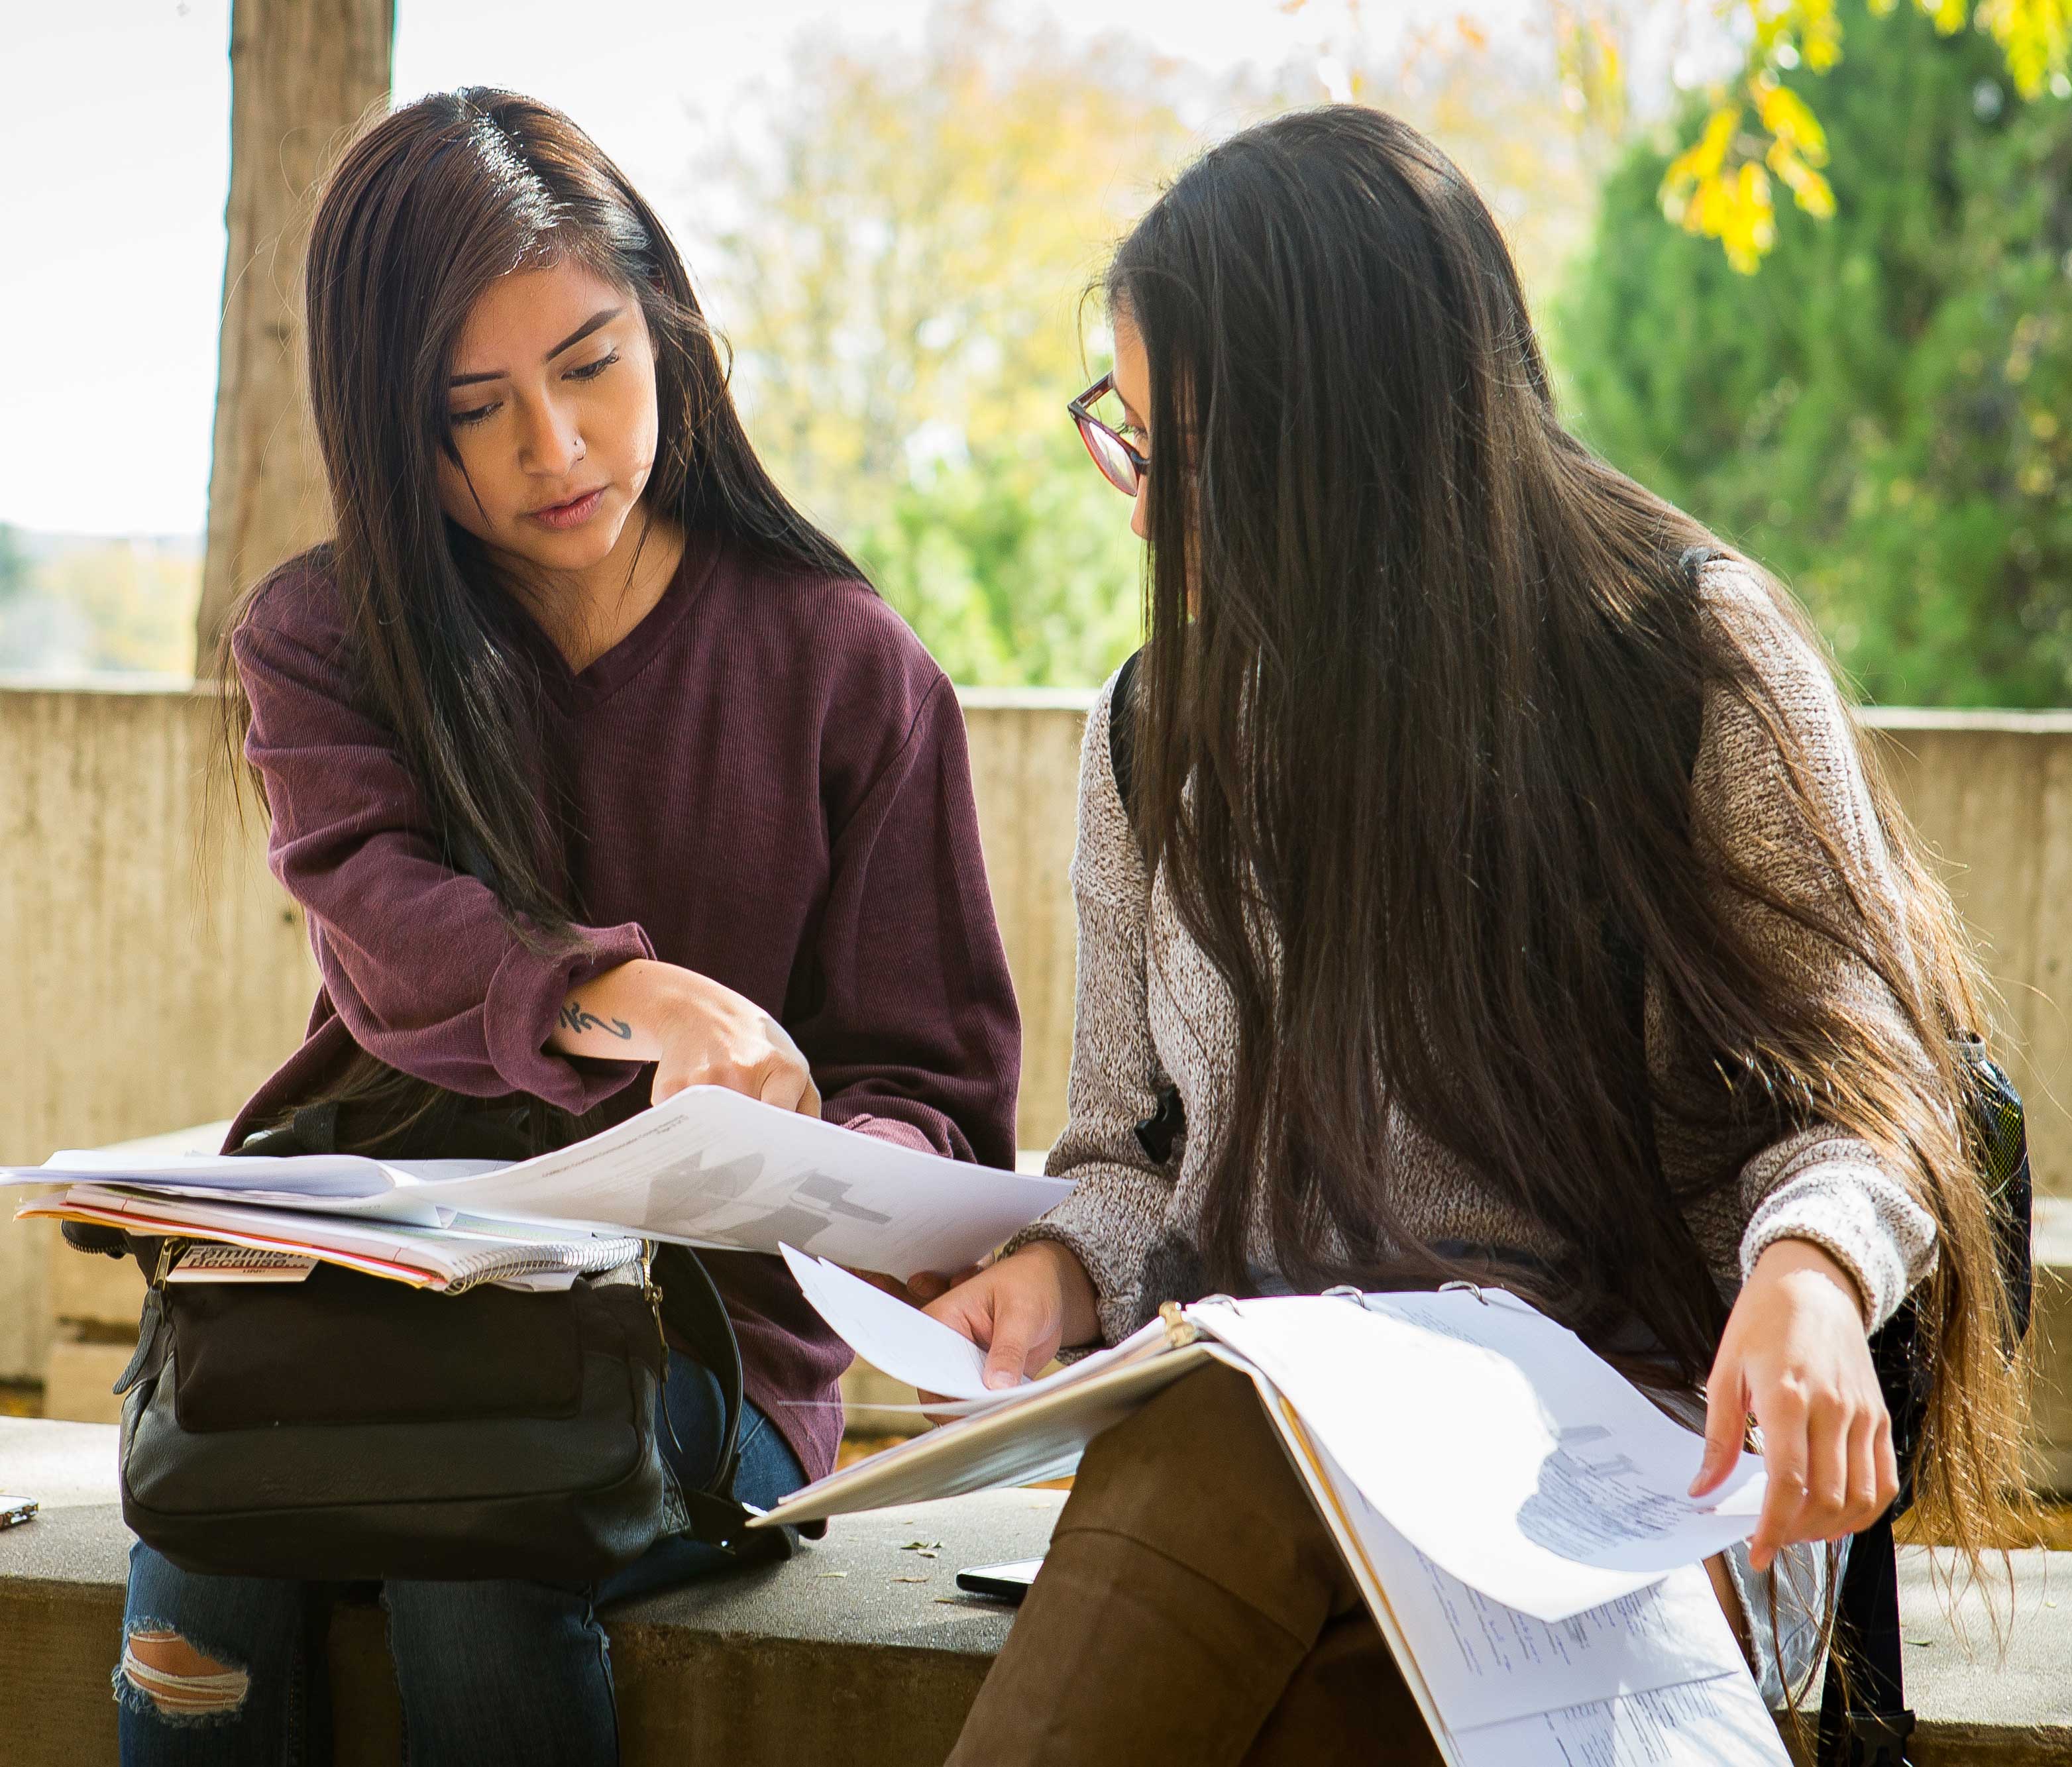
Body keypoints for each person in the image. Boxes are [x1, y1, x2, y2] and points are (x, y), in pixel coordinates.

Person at [920, 106, 2024, 1764]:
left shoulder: (1680, 657)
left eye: (1197, 463)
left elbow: (1865, 1096)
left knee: (1253, 1498)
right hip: (1272, 1462)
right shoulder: (1161, 733)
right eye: (1127, 441)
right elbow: (1128, 1155)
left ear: (1369, 440)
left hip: (1635, 1464)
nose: (1144, 517)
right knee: (1254, 1477)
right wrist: (1056, 1261)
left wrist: (1810, 1271)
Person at [112, 89, 1019, 1766]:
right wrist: (621, 993)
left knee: (487, 1557)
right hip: (365, 1309)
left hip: (704, 1353)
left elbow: (940, 1091)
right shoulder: (324, 639)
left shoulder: (845, 665)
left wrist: (830, 1155)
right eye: (477, 406)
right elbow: (385, 925)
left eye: (592, 365)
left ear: (666, 326)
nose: (559, 447)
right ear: (393, 429)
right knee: (202, 1544)